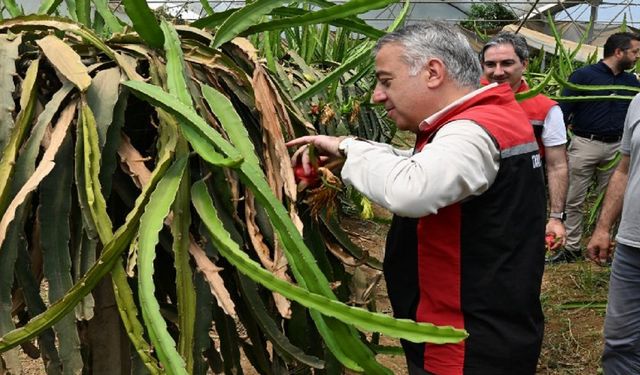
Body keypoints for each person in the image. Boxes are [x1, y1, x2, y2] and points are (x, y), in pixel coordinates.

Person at [286, 23, 546, 375]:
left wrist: (349, 147)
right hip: (496, 321)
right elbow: (432, 166)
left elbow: (411, 190)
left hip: (461, 341)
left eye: (386, 80)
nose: (377, 95)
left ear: (433, 72)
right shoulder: (493, 115)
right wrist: (355, 153)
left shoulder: (471, 130)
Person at [479, 32, 569, 258]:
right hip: (473, 206)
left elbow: (557, 165)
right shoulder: (466, 99)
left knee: (517, 271)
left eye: (507, 63)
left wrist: (556, 217)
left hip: (522, 207)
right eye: (490, 64)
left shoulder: (545, 109)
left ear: (525, 64)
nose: (498, 72)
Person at [559, 32, 640, 262]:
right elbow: (563, 111)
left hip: (618, 148)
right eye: (634, 51)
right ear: (618, 52)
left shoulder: (631, 82)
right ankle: (571, 248)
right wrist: (561, 147)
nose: (637, 56)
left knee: (613, 200)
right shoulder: (583, 76)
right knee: (574, 197)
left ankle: (607, 249)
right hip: (585, 143)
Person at [586, 92, 640, 374]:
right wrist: (603, 227)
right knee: (620, 340)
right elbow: (624, 169)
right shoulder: (639, 102)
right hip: (632, 245)